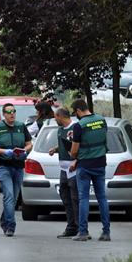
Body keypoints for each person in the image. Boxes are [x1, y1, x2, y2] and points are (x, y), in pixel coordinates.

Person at [0, 103, 32, 237]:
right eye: (9, 112)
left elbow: (29, 143)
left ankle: (4, 220)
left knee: (14, 197)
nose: (12, 114)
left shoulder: (21, 126)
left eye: (14, 111)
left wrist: (25, 150)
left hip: (18, 166)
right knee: (9, 196)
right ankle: (10, 227)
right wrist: (4, 151)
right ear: (4, 114)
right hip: (3, 165)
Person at [69, 98, 111, 242]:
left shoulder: (79, 126)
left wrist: (72, 155)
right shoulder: (101, 120)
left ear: (79, 111)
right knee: (102, 198)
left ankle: (83, 232)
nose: (76, 116)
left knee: (84, 198)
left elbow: (74, 151)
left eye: (75, 113)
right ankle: (106, 232)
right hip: (100, 163)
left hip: (85, 166)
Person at [48, 108, 79, 238]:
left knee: (75, 198)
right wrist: (55, 149)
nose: (55, 120)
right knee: (65, 197)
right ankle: (71, 226)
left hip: (73, 168)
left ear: (60, 116)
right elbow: (65, 145)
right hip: (63, 168)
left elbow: (78, 146)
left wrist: (76, 161)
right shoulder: (60, 130)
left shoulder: (75, 128)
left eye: (56, 117)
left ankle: (80, 227)